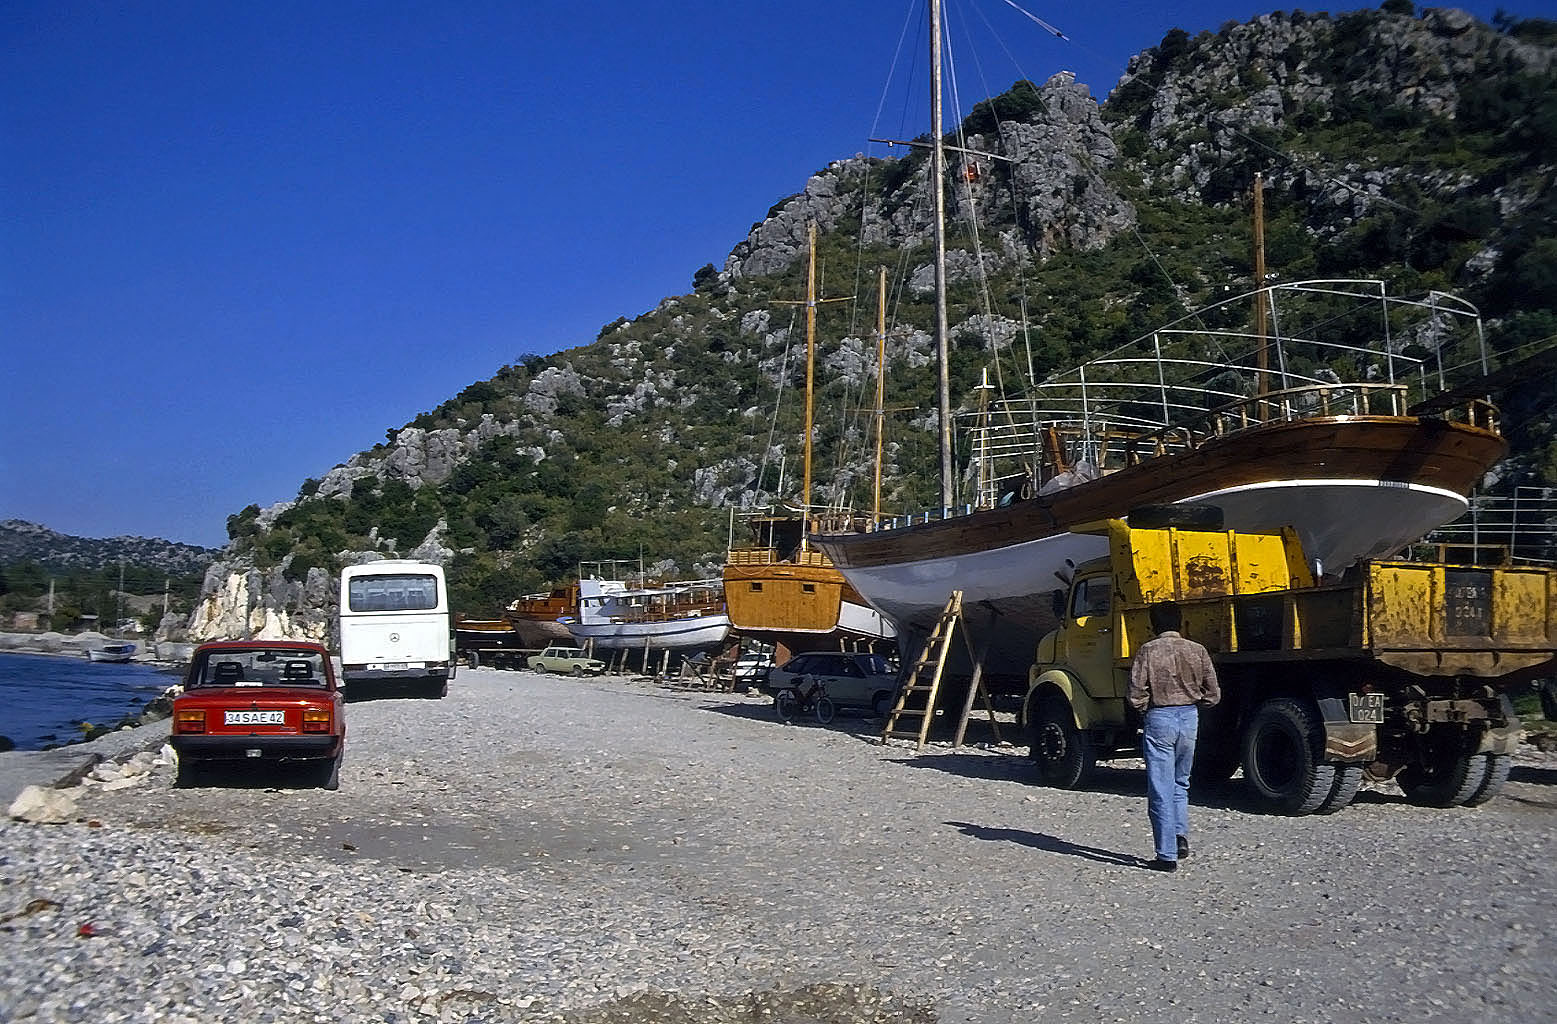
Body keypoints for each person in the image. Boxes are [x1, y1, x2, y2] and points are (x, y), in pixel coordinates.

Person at [1128, 601, 1220, 873]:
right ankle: (1180, 837)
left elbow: (1135, 693)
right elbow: (1213, 693)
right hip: (1189, 717)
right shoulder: (1197, 650)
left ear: (1152, 625)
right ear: (1181, 623)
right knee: (1181, 782)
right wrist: (1197, 704)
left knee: (1161, 787)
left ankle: (1166, 855)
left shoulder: (1148, 650)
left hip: (1160, 716)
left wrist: (1146, 709)